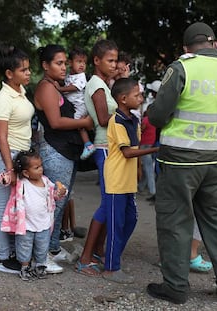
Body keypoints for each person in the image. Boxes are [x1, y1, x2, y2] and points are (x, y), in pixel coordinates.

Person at [146, 22, 217, 305]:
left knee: (176, 222)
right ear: (214, 43)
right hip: (216, 160)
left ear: (186, 47)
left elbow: (157, 116)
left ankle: (176, 288)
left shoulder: (181, 68)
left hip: (179, 161)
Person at [34, 44, 93, 274]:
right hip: (55, 151)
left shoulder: (57, 86)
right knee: (53, 204)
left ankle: (53, 247)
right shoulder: (46, 88)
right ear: (45, 65)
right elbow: (56, 122)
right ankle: (41, 256)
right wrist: (85, 123)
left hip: (66, 150)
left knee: (60, 203)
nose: (64, 67)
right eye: (58, 63)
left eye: (64, 63)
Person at [102, 78, 158, 283]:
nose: (141, 98)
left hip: (127, 180)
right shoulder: (116, 121)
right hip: (116, 179)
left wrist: (139, 168)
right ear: (123, 99)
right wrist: (158, 150)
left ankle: (113, 255)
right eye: (138, 95)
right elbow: (126, 152)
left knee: (131, 218)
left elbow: (135, 148)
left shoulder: (133, 119)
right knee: (116, 224)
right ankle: (110, 267)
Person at [0, 46, 34, 274]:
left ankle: (11, 252)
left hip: (18, 156)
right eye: (23, 70)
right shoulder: (4, 98)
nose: (28, 73)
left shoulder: (20, 91)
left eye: (28, 69)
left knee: (15, 207)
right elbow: (2, 137)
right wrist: (10, 168)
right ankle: (4, 259)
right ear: (9, 73)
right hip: (4, 157)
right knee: (4, 207)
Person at [75, 39, 118, 276]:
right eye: (110, 60)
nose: (114, 64)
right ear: (96, 60)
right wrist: (125, 114)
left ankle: (98, 249)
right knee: (106, 204)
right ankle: (84, 257)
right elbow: (102, 119)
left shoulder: (103, 84)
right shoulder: (97, 85)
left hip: (109, 147)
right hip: (104, 147)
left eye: (115, 60)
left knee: (109, 203)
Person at [1, 149, 67, 281]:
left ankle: (40, 266)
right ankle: (25, 267)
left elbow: (53, 196)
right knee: (24, 246)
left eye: (41, 166)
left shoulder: (46, 181)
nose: (41, 169)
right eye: (36, 167)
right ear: (26, 172)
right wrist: (6, 177)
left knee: (42, 246)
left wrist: (60, 193)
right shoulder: (21, 182)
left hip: (44, 222)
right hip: (26, 224)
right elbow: (5, 179)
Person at [55, 47, 95, 160]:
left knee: (77, 123)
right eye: (79, 61)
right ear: (70, 63)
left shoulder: (81, 76)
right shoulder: (69, 76)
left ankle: (88, 144)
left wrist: (60, 89)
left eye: (84, 62)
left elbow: (74, 87)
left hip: (80, 105)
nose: (82, 65)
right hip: (74, 105)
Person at [138, 105, 156, 202]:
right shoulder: (154, 121)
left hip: (144, 146)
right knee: (148, 168)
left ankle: (147, 189)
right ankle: (147, 188)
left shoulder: (145, 120)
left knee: (147, 169)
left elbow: (141, 130)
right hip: (149, 145)